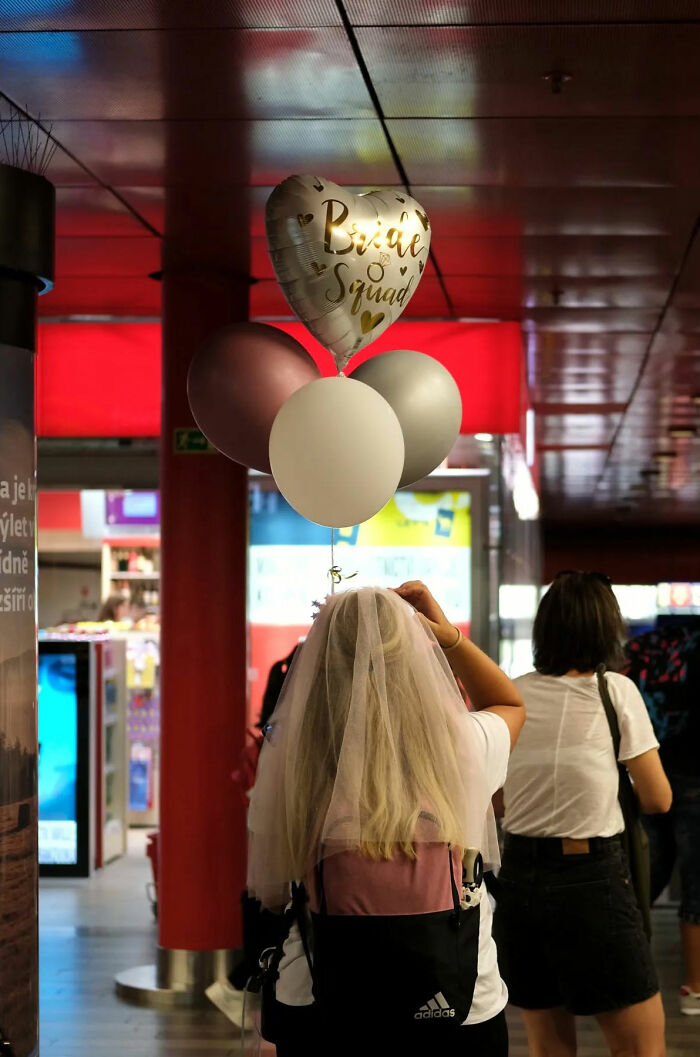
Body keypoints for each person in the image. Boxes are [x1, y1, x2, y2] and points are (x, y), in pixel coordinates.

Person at [247, 582, 525, 1056]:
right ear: (419, 660)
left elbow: (272, 893)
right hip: (457, 997)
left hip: (318, 997)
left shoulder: (289, 754)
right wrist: (449, 639)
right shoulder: (463, 744)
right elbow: (511, 703)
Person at [494, 570, 672, 1057]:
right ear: (604, 628)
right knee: (642, 1047)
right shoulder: (615, 691)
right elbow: (658, 799)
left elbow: (496, 799)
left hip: (518, 880)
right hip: (589, 878)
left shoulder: (512, 693)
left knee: (548, 1047)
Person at [625, 623, 700, 1016]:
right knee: (697, 883)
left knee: (643, 878)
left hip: (653, 769)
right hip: (695, 775)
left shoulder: (645, 649)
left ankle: (624, 974)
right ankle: (696, 988)